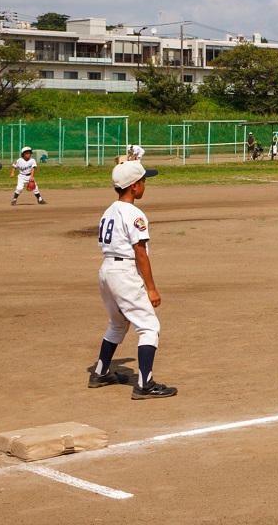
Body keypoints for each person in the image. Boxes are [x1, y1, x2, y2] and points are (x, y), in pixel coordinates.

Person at [92, 159, 176, 399]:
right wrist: (151, 289)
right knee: (149, 326)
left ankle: (101, 372)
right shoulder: (134, 214)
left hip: (106, 271)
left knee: (118, 323)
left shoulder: (109, 211)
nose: (144, 184)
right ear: (134, 186)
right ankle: (145, 384)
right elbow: (140, 253)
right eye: (143, 180)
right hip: (124, 272)